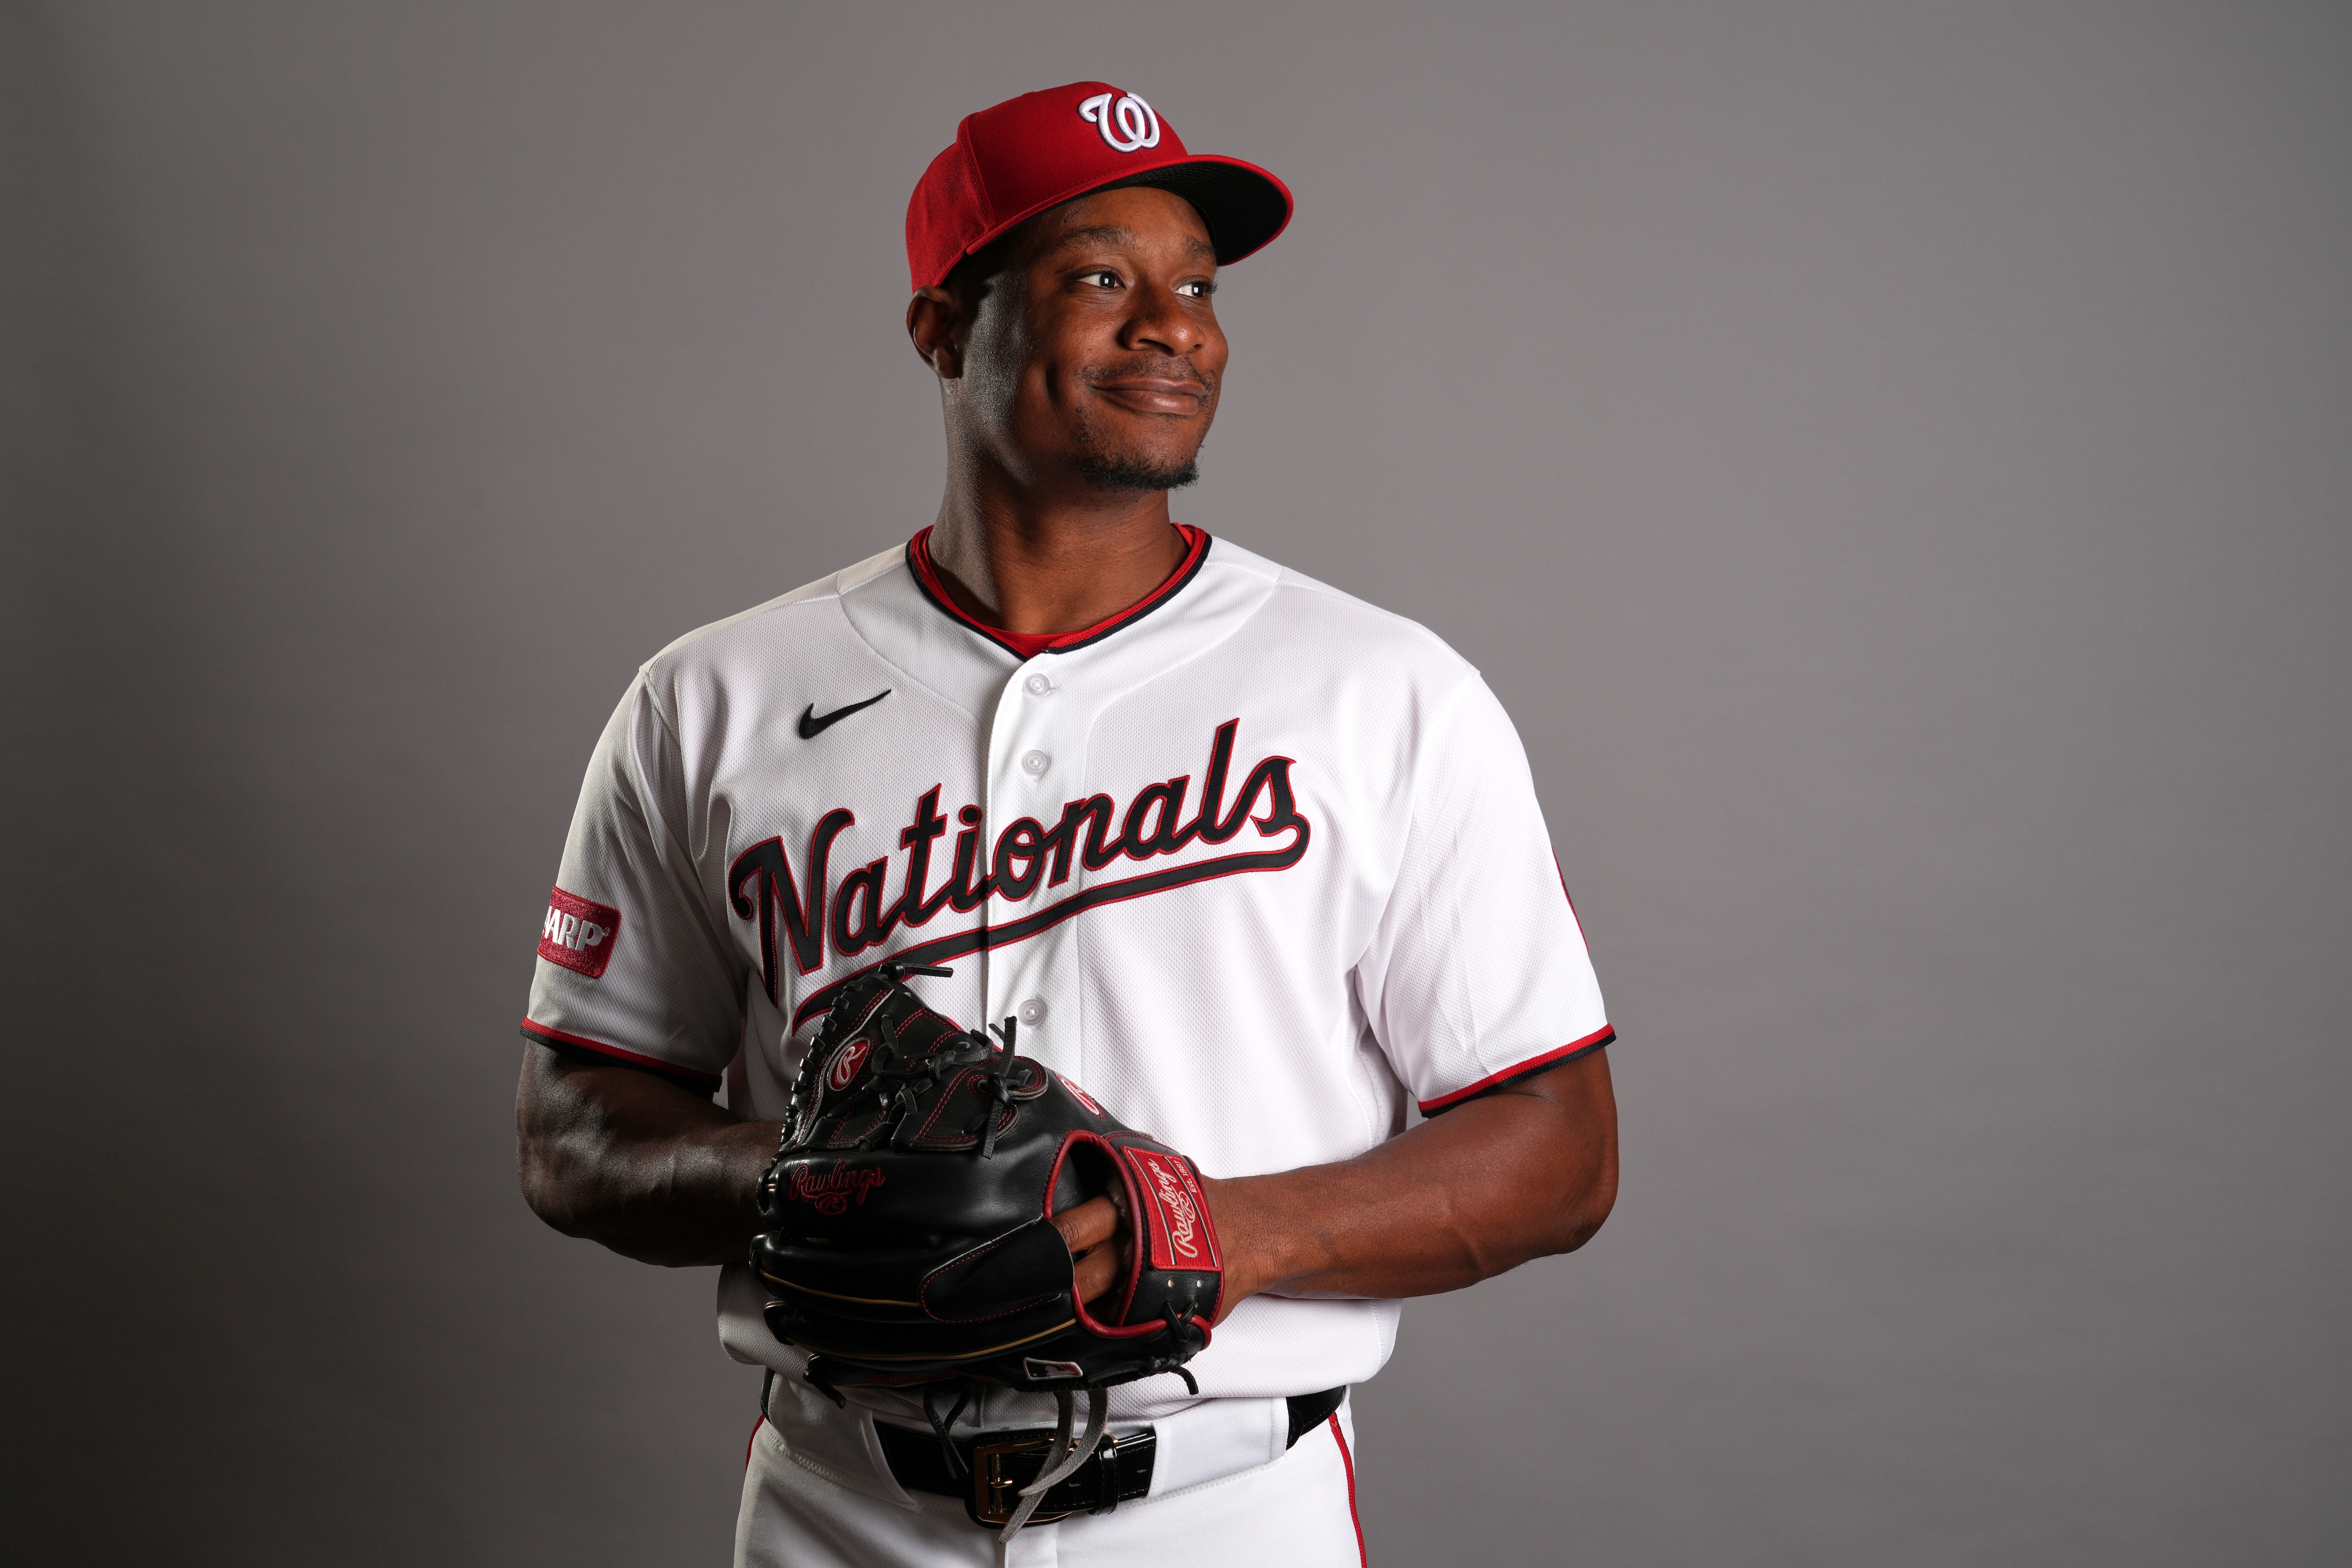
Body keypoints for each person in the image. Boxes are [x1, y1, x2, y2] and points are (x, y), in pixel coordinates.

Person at [514, 81, 1618, 1567]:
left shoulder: (1387, 691)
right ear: (940, 329)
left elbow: (1561, 1149)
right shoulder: (713, 697)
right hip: (845, 1508)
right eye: (1102, 277)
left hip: (1228, 1514)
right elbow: (576, 1129)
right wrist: (791, 1187)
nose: (1175, 327)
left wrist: (1215, 1229)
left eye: (1198, 287)